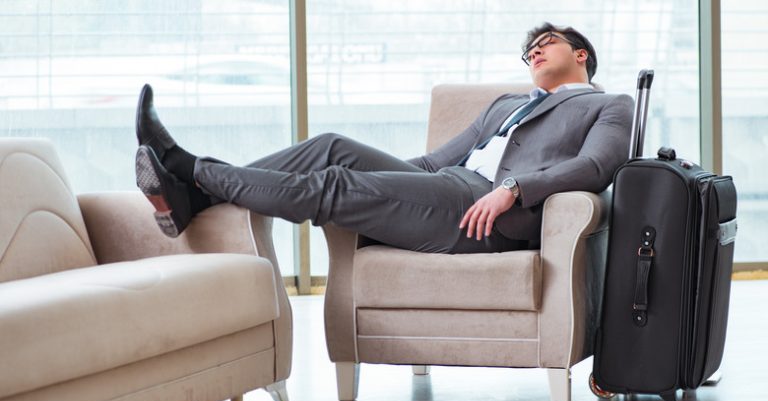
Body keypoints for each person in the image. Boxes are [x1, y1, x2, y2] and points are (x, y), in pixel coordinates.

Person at [134, 22, 633, 254]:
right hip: (447, 184)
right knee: (331, 147)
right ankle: (193, 196)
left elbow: (596, 168)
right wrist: (393, 180)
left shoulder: (607, 105)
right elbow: (435, 163)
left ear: (581, 53)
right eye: (528, 51)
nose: (534, 52)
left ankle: (187, 169)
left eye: (545, 44)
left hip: (489, 213)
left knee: (337, 183)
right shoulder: (507, 103)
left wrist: (515, 188)